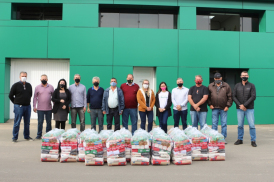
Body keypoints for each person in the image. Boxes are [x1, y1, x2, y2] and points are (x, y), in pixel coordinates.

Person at [233, 71, 257, 147]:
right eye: (243, 75)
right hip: (239, 109)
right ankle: (240, 139)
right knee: (240, 125)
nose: (244, 76)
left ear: (248, 76)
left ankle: (253, 140)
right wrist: (240, 105)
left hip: (249, 109)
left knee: (252, 125)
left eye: (246, 75)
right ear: (240, 76)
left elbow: (253, 96)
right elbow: (234, 96)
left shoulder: (252, 85)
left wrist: (245, 105)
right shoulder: (237, 85)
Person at [208, 73, 232, 144]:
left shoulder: (226, 86)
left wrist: (227, 106)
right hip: (214, 108)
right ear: (214, 79)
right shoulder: (210, 86)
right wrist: (210, 104)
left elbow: (230, 97)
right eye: (216, 78)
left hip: (223, 108)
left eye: (219, 78)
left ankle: (222, 138)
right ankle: (214, 138)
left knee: (224, 124)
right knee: (214, 124)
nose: (217, 80)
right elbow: (208, 97)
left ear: (221, 78)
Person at [9, 71, 33, 142]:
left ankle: (26, 136)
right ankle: (15, 137)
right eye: (22, 76)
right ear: (20, 77)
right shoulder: (15, 85)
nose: (24, 77)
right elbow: (10, 95)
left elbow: (30, 95)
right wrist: (16, 102)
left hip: (27, 106)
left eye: (25, 76)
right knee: (17, 122)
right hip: (19, 107)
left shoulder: (29, 85)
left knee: (27, 122)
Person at [33, 74, 54, 139]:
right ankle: (39, 135)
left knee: (49, 122)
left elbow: (53, 97)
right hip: (40, 109)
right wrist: (34, 106)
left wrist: (55, 106)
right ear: (40, 80)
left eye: (45, 79)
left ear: (47, 79)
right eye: (42, 79)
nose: (44, 80)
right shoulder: (37, 87)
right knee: (40, 122)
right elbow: (35, 97)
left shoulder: (51, 87)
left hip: (49, 108)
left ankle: (48, 134)